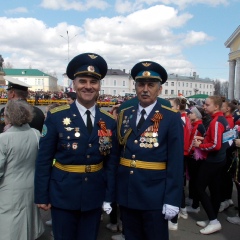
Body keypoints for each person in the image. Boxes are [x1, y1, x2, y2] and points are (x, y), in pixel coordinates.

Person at [34, 52, 119, 240]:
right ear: (74, 84)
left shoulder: (108, 121)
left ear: (99, 86)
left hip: (94, 194)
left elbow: (111, 163)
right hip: (63, 193)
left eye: (93, 82)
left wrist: (108, 195)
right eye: (83, 81)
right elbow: (44, 159)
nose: (88, 86)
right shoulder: (56, 117)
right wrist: (42, 195)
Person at [116, 60, 184, 240]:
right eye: (141, 84)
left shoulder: (170, 117)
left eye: (151, 85)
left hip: (155, 195)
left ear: (159, 89)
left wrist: (172, 199)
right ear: (135, 87)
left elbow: (176, 162)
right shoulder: (125, 114)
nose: (145, 89)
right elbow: (118, 154)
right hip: (127, 193)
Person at [0, 100, 44, 240]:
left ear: (9, 116)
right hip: (31, 184)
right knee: (28, 218)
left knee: (11, 225)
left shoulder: (4, 138)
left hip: (9, 187)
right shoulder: (35, 134)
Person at [193, 96, 230, 235]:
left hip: (213, 161)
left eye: (207, 104)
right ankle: (212, 219)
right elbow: (222, 139)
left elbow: (215, 145)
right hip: (220, 160)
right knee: (214, 189)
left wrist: (200, 145)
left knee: (199, 187)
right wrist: (203, 139)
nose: (204, 106)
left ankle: (214, 221)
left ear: (216, 107)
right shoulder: (222, 120)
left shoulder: (216, 122)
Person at [168, 97, 191, 230]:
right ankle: (182, 209)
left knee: (176, 184)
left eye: (170, 106)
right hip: (181, 154)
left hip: (180, 155)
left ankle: (175, 218)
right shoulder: (180, 118)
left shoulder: (179, 119)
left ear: (177, 107)